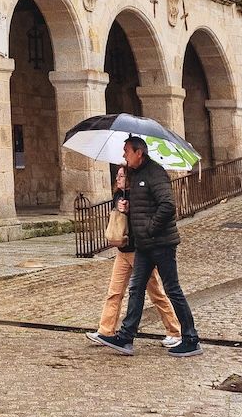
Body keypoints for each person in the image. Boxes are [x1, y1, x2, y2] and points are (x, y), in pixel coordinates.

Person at [90, 135, 202, 358]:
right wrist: (125, 205)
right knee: (136, 289)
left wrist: (150, 228)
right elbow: (140, 204)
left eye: (126, 151)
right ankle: (126, 337)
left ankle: (190, 338)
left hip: (161, 243)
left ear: (138, 152)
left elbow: (167, 205)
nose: (124, 155)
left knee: (172, 289)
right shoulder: (136, 174)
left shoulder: (155, 173)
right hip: (143, 246)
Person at [85, 165, 180, 349]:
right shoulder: (118, 196)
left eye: (122, 176)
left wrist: (130, 209)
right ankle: (106, 331)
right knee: (114, 292)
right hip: (123, 251)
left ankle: (175, 331)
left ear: (129, 178)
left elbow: (145, 215)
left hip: (139, 253)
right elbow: (117, 208)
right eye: (117, 176)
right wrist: (119, 205)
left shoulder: (139, 195)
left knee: (156, 294)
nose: (118, 178)